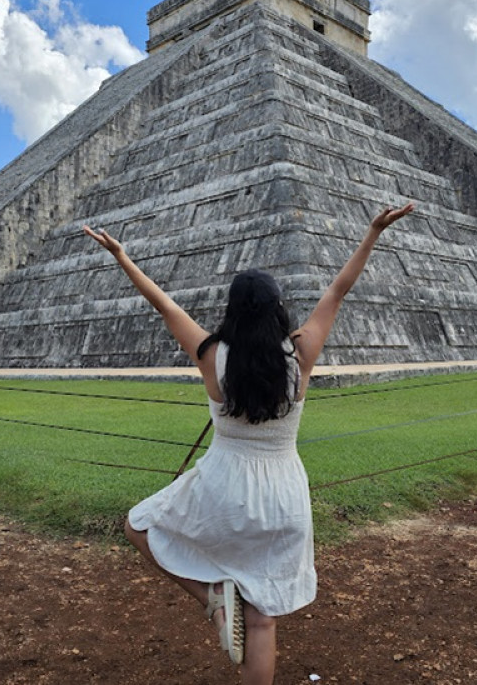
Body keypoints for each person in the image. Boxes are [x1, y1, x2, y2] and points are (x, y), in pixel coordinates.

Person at [83, 203, 414, 684]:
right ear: (280, 309)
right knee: (262, 619)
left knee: (139, 526)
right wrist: (372, 232)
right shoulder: (300, 353)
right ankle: (230, 606)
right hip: (283, 496)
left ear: (232, 311)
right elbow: (338, 290)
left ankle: (214, 599)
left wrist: (122, 256)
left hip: (223, 487)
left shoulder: (212, 354)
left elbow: (165, 305)